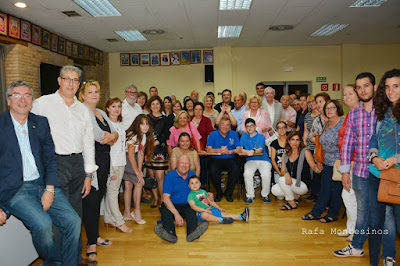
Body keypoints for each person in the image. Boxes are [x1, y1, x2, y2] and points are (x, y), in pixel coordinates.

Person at [0, 80, 81, 265]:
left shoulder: (40, 122)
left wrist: (50, 189)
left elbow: (50, 158)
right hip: (15, 190)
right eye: (17, 95)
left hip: (42, 183)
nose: (22, 99)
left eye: (27, 95)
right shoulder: (1, 125)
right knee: (43, 224)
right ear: (8, 100)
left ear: (32, 100)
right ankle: (54, 262)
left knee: (73, 222)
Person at [31, 65, 98, 264]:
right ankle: (57, 260)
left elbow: (88, 141)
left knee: (76, 213)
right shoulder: (42, 104)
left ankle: (74, 256)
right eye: (67, 79)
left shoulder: (82, 110)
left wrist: (88, 174)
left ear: (79, 85)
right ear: (59, 81)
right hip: (55, 164)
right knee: (60, 217)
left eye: (75, 80)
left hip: (78, 164)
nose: (71, 83)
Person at [333, 72, 377, 258]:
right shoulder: (354, 114)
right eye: (358, 87)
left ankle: (386, 251)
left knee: (386, 216)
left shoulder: (384, 112)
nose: (362, 90)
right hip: (359, 170)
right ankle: (357, 247)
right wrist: (345, 172)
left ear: (374, 87)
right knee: (362, 211)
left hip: (382, 172)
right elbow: (347, 145)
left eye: (366, 86)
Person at [79, 81, 118, 260]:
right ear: (83, 95)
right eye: (90, 92)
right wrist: (111, 137)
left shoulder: (101, 112)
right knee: (91, 204)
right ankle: (91, 244)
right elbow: (99, 136)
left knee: (97, 202)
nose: (94, 95)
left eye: (97, 91)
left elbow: (114, 133)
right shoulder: (82, 111)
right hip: (91, 164)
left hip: (104, 162)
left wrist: (112, 137)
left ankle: (95, 235)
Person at [367, 69, 400, 266]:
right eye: (387, 87)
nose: (390, 91)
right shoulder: (384, 112)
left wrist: (395, 159)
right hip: (378, 173)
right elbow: (374, 138)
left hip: (396, 174)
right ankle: (380, 259)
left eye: (396, 86)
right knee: (378, 222)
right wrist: (374, 156)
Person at [302, 100, 345, 222]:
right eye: (327, 108)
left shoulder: (343, 123)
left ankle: (332, 214)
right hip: (326, 162)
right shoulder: (327, 124)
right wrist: (319, 160)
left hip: (339, 163)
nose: (330, 110)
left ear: (338, 109)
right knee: (324, 190)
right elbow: (321, 144)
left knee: (336, 191)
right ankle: (316, 213)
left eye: (332, 108)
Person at [154, 155, 208, 243]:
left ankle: (192, 233)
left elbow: (197, 192)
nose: (184, 166)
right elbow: (166, 198)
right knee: (165, 211)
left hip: (187, 204)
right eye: (182, 163)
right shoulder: (169, 176)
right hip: (171, 204)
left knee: (192, 211)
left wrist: (208, 201)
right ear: (177, 164)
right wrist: (176, 214)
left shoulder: (192, 175)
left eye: (187, 164)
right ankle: (170, 234)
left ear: (190, 165)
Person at [334, 85, 359, 242]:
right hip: (348, 160)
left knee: (351, 196)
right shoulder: (350, 114)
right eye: (345, 94)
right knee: (347, 195)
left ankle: (356, 230)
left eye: (351, 94)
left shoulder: (362, 114)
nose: (347, 97)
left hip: (357, 162)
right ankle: (351, 228)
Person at [103, 97, 133, 233]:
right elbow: (107, 148)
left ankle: (108, 217)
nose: (117, 109)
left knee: (111, 191)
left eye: (119, 106)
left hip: (121, 161)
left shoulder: (120, 124)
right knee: (113, 192)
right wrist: (111, 169)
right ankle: (119, 221)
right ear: (108, 108)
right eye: (113, 106)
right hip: (112, 162)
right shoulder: (106, 124)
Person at [272, 131, 321, 210]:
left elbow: (313, 167)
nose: (295, 142)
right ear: (288, 141)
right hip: (291, 182)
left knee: (281, 179)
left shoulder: (305, 152)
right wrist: (286, 174)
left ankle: (291, 203)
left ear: (300, 141)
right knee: (274, 190)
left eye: (297, 140)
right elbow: (283, 171)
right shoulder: (285, 154)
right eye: (293, 139)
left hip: (303, 185)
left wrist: (318, 168)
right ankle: (295, 196)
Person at [123, 114, 154, 224]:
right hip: (127, 158)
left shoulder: (144, 136)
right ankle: (136, 211)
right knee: (139, 183)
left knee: (129, 185)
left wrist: (140, 170)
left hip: (134, 158)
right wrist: (137, 172)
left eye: (147, 124)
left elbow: (141, 153)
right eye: (142, 124)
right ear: (137, 125)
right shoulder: (133, 136)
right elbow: (131, 156)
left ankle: (127, 213)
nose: (145, 126)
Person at [206, 117, 241, 202]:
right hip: (216, 159)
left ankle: (228, 193)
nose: (225, 127)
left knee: (236, 169)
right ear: (219, 125)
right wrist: (219, 150)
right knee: (213, 170)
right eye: (223, 124)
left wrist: (230, 151)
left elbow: (239, 148)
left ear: (230, 127)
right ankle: (219, 192)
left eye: (227, 125)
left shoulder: (234, 134)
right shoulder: (213, 134)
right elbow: (208, 149)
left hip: (230, 158)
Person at [241, 118, 273, 204]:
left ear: (255, 126)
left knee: (266, 174)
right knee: (247, 174)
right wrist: (247, 152)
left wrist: (253, 151)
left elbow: (260, 149)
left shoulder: (261, 136)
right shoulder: (244, 136)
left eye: (251, 126)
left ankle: (265, 195)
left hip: (264, 160)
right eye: (247, 126)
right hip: (250, 160)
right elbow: (240, 149)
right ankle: (250, 196)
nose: (249, 128)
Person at [146, 96, 170, 208]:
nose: (155, 106)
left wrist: (157, 142)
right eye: (153, 104)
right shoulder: (145, 118)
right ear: (150, 106)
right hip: (148, 150)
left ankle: (163, 200)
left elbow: (166, 135)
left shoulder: (165, 119)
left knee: (160, 177)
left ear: (161, 105)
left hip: (160, 150)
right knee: (151, 176)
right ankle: (155, 199)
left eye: (157, 104)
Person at [307, 92, 331, 201]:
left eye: (321, 101)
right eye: (317, 102)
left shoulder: (335, 117)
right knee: (320, 176)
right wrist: (322, 142)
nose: (319, 104)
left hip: (334, 154)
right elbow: (311, 136)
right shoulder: (317, 120)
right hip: (320, 152)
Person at [190, 102, 213, 185]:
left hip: (203, 148)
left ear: (203, 111)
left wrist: (207, 147)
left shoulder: (206, 120)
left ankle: (202, 184)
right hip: (189, 148)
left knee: (203, 161)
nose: (198, 111)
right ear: (193, 110)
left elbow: (209, 135)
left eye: (200, 109)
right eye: (196, 109)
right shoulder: (189, 119)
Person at [270, 121, 288, 200]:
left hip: (289, 171)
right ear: (276, 130)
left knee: (288, 193)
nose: (281, 130)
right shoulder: (274, 143)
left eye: (283, 127)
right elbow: (273, 159)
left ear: (286, 129)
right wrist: (279, 172)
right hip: (278, 171)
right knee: (280, 197)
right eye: (279, 128)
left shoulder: (291, 141)